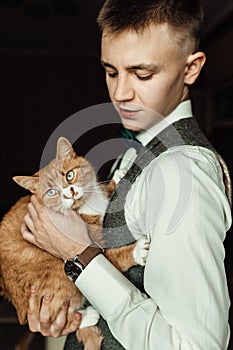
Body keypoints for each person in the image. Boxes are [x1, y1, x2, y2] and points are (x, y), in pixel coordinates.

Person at [21, 0, 232, 349]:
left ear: (191, 69)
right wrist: (74, 308)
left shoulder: (182, 173)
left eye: (142, 74)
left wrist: (79, 253)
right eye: (111, 71)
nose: (120, 93)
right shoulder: (139, 151)